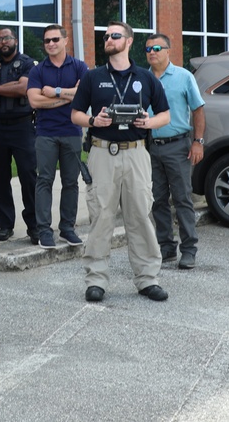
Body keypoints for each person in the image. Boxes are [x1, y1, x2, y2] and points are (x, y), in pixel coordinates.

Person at [70, 21, 171, 303]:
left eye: (115, 35)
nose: (108, 39)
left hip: (137, 152)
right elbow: (75, 114)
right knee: (101, 217)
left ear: (128, 41)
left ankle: (147, 279)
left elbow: (166, 115)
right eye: (105, 36)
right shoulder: (93, 77)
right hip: (102, 152)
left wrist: (148, 121)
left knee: (140, 216)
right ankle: (96, 280)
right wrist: (93, 120)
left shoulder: (146, 77)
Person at [145, 33, 206, 270]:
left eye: (157, 48)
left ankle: (189, 249)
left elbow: (198, 110)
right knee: (157, 200)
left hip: (178, 146)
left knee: (182, 198)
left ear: (168, 50)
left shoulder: (183, 77)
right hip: (151, 147)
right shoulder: (143, 78)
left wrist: (198, 141)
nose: (152, 52)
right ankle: (166, 247)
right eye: (148, 49)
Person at [26, 24, 89, 249]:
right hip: (46, 134)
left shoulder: (80, 67)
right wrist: (69, 95)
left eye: (55, 39)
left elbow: (85, 95)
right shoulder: (37, 70)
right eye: (47, 41)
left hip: (72, 131)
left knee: (71, 182)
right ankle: (44, 231)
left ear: (65, 40)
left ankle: (67, 229)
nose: (51, 44)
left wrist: (56, 91)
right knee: (44, 180)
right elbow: (34, 101)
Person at [0, 27, 38, 243]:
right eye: (0, 38)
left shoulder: (28, 64)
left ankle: (35, 226)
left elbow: (23, 89)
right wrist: (6, 87)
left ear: (16, 41)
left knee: (29, 177)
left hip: (23, 126)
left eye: (7, 38)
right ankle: (4, 225)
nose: (3, 41)